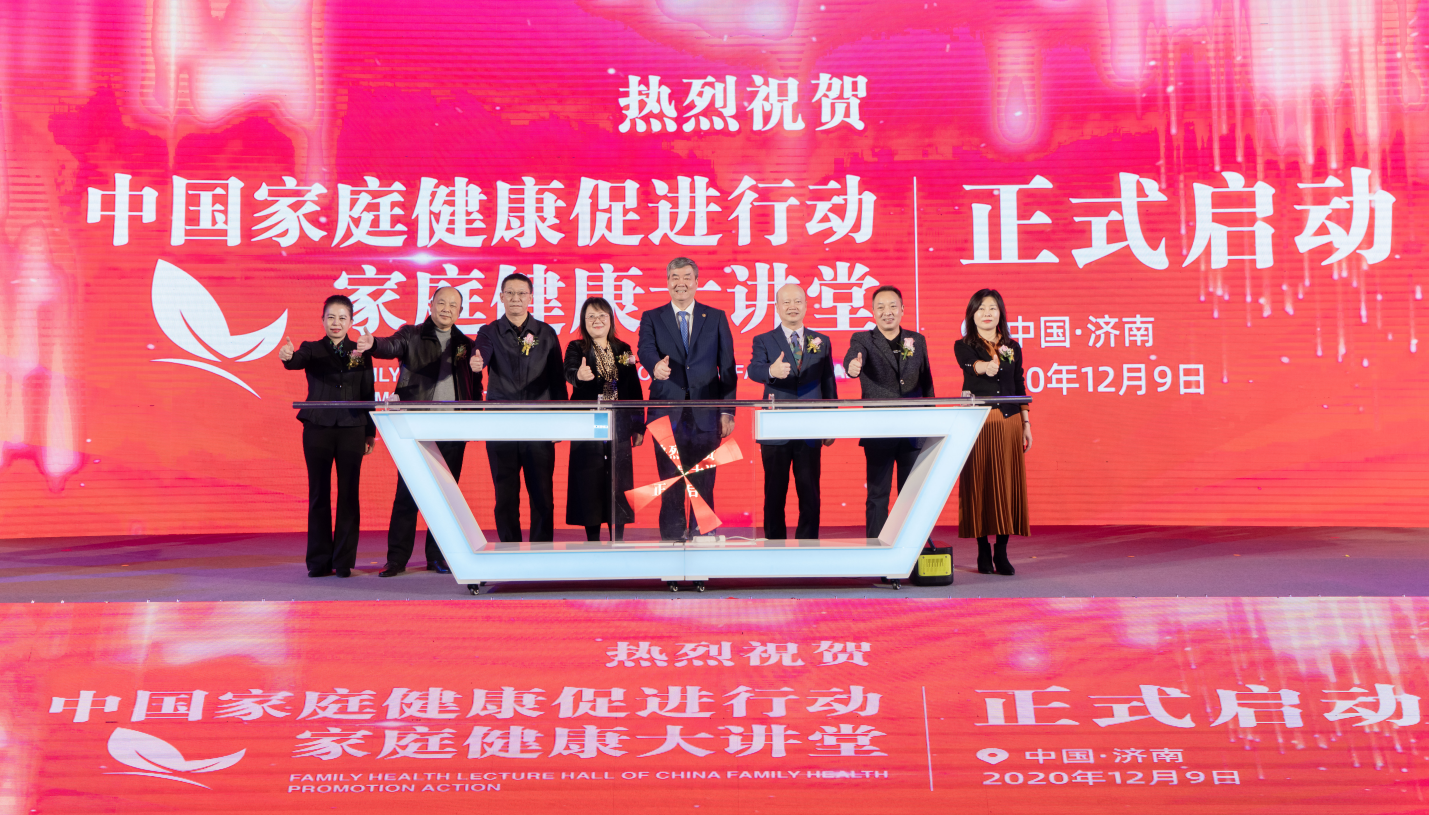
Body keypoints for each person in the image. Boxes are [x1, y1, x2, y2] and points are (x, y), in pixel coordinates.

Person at [361, 286, 479, 577]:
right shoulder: (411, 334)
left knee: (445, 498)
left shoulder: (466, 344)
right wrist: (373, 343)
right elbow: (390, 346)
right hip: (416, 427)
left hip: (453, 430)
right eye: (442, 302)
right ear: (431, 304)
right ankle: (397, 559)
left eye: (453, 305)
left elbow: (474, 386)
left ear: (460, 311)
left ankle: (438, 557)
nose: (446, 308)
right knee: (407, 494)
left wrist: (473, 420)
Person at [636, 257, 738, 540]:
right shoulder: (652, 317)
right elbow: (645, 349)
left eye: (686, 277)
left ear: (696, 282)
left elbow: (727, 368)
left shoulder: (715, 317)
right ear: (667, 282)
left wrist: (727, 411)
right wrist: (655, 365)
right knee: (670, 483)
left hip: (706, 416)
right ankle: (671, 546)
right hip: (666, 414)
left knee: (703, 484)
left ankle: (703, 546)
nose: (680, 283)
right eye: (675, 277)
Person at [279, 294, 375, 578]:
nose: (336, 323)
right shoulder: (312, 348)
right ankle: (319, 561)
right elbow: (295, 361)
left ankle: (343, 561)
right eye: (331, 317)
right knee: (319, 493)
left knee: (349, 494)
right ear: (322, 320)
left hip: (352, 428)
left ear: (351, 322)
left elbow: (367, 393)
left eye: (342, 318)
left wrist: (369, 432)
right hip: (318, 428)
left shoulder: (360, 350)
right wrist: (288, 357)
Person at [471, 273, 568, 543]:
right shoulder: (489, 331)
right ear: (501, 297)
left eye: (521, 293)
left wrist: (560, 421)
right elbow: (482, 352)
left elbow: (557, 379)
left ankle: (542, 552)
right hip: (501, 425)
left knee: (542, 495)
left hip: (539, 425)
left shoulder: (546, 333)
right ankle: (509, 550)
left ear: (531, 297)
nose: (516, 298)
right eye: (510, 293)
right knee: (505, 495)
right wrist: (478, 362)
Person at [842, 285, 935, 539]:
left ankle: (912, 548)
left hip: (913, 432)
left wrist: (932, 422)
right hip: (879, 430)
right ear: (873, 312)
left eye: (893, 306)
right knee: (877, 495)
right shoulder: (863, 339)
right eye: (881, 307)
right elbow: (852, 357)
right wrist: (852, 367)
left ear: (902, 309)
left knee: (912, 496)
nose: (887, 312)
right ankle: (876, 551)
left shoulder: (917, 340)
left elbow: (927, 383)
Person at [746, 284, 837, 540]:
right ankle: (774, 545)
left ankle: (808, 546)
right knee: (774, 492)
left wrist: (832, 424)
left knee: (810, 492)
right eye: (786, 302)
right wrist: (770, 372)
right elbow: (753, 369)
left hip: (810, 427)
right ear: (777, 307)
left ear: (806, 305)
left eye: (797, 301)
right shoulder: (764, 339)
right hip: (776, 428)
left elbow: (829, 383)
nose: (792, 307)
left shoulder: (821, 341)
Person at [954, 288, 1031, 576]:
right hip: (979, 424)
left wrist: (1026, 423)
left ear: (1000, 314)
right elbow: (972, 366)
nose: (987, 313)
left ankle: (1001, 550)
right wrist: (986, 366)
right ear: (972, 315)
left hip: (1009, 421)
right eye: (981, 308)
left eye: (992, 308)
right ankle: (982, 549)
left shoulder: (1013, 346)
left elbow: (1019, 385)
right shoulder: (963, 346)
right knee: (980, 484)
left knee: (1007, 485)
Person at [563, 297, 645, 542]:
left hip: (619, 424)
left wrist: (638, 425)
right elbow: (569, 371)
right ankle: (593, 541)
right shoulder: (576, 348)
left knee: (619, 479)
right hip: (589, 423)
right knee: (590, 478)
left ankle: (617, 539)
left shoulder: (623, 349)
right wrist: (579, 375)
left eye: (602, 316)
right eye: (591, 316)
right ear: (583, 321)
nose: (597, 321)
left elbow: (634, 390)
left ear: (610, 320)